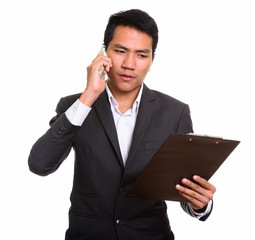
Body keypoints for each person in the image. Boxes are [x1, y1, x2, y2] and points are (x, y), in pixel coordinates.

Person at [28, 9, 216, 240]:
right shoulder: (75, 106)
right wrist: (89, 95)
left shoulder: (175, 112)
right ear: (104, 52)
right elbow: (39, 164)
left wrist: (199, 204)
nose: (129, 64)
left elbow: (183, 188)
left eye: (141, 55)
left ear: (152, 59)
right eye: (120, 51)